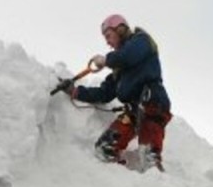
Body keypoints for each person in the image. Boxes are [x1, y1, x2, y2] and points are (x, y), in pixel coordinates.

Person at [69, 14, 172, 170]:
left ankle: (159, 185)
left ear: (120, 29)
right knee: (104, 147)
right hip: (133, 111)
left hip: (152, 103)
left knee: (149, 156)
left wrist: (106, 60)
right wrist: (75, 91)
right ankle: (120, 177)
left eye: (108, 35)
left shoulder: (142, 41)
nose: (107, 42)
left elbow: (128, 56)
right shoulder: (118, 70)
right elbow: (104, 94)